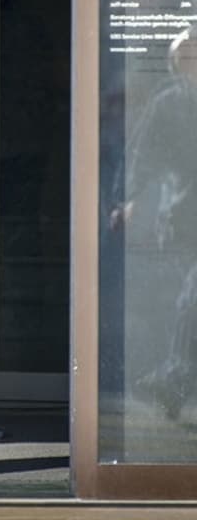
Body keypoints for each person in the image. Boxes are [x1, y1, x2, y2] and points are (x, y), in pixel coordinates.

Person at [111, 28, 197, 421]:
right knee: (189, 298)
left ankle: (173, 378)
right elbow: (142, 155)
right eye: (184, 59)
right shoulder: (170, 104)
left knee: (190, 300)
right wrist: (127, 199)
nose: (189, 66)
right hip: (185, 214)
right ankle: (174, 378)